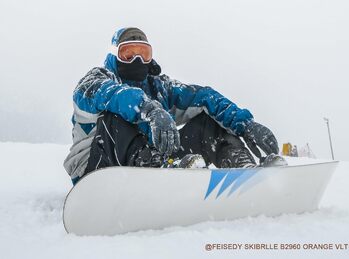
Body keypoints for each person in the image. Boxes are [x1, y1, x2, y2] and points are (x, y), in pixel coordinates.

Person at [64, 27, 285, 185]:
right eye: (128, 54)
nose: (137, 60)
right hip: (95, 170)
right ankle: (158, 170)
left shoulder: (160, 88)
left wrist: (245, 124)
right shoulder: (95, 80)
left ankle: (241, 167)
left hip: (156, 162)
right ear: (113, 55)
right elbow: (114, 95)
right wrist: (149, 110)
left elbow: (204, 96)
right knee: (115, 117)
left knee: (208, 119)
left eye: (144, 54)